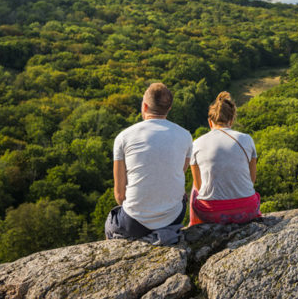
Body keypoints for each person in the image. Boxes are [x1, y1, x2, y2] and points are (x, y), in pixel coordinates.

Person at [105, 82, 193, 243]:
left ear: (144, 106)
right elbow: (177, 175)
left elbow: (119, 196)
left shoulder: (124, 137)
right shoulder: (185, 136)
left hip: (135, 222)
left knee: (110, 223)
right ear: (169, 109)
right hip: (173, 217)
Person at [189, 91, 260, 226]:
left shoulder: (196, 143)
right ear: (232, 120)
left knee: (194, 187)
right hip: (247, 210)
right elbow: (252, 179)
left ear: (210, 122)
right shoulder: (247, 139)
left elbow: (199, 187)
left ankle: (195, 225)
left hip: (210, 214)